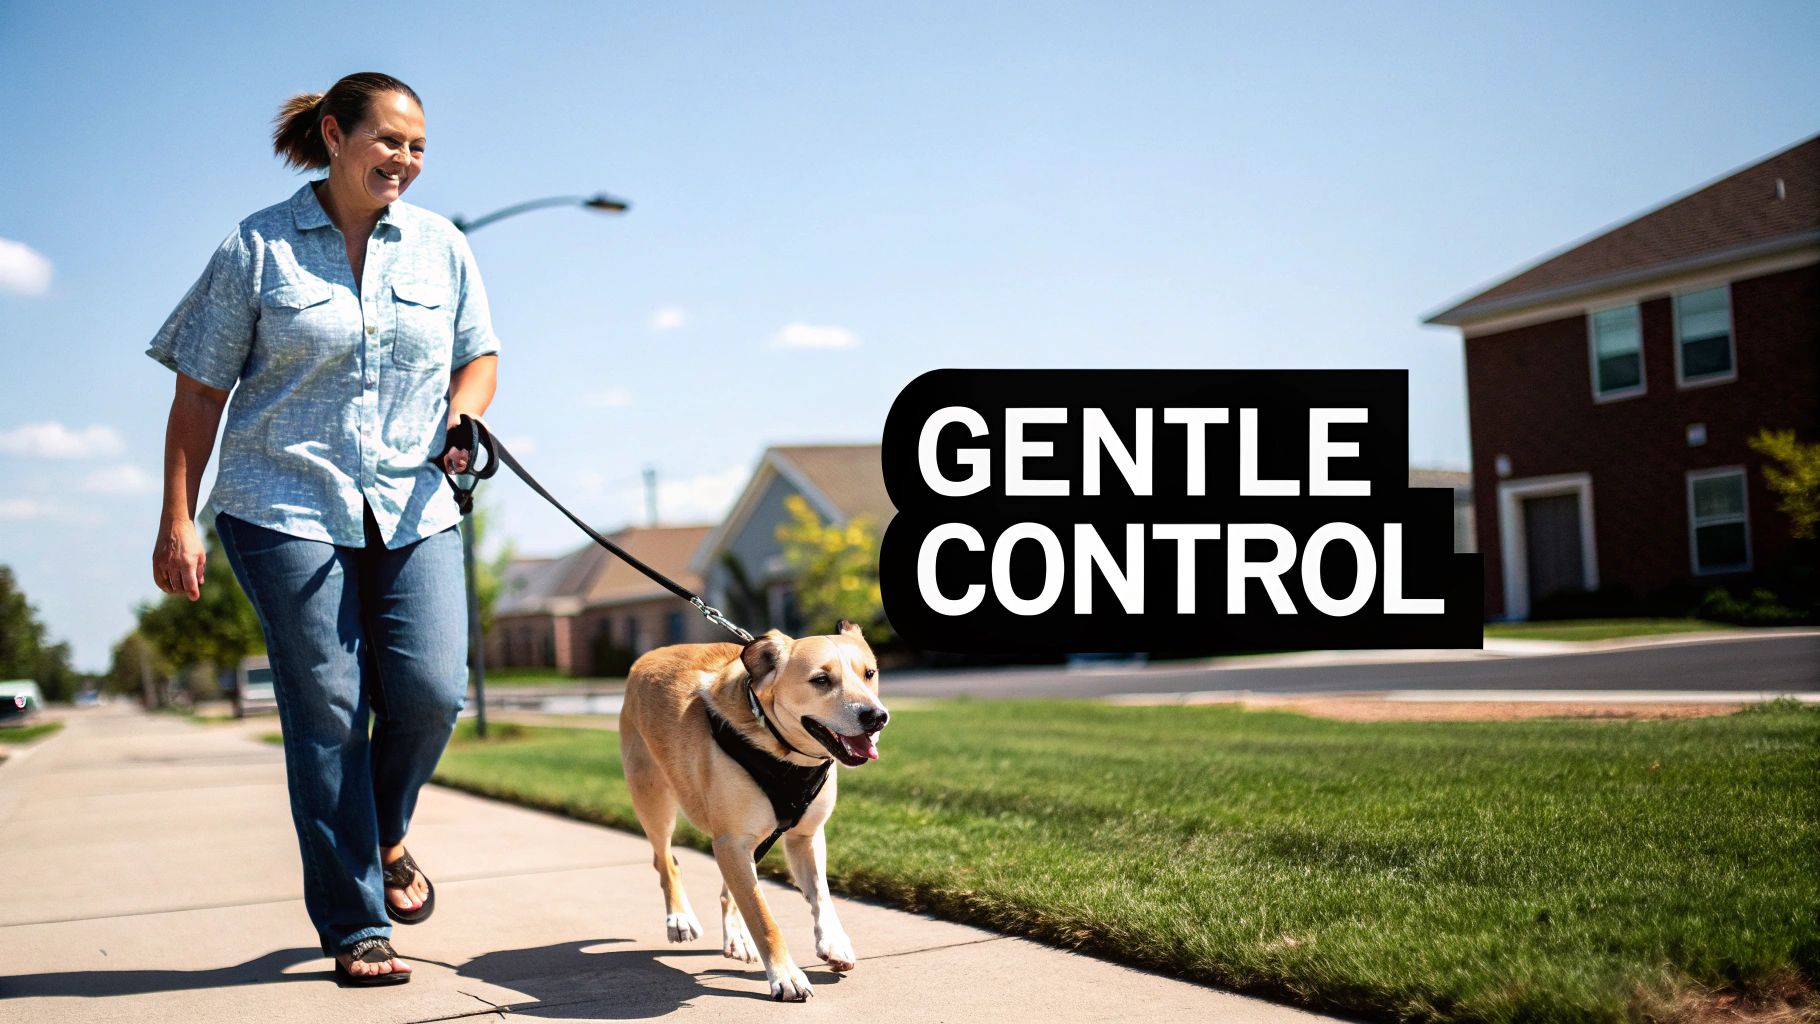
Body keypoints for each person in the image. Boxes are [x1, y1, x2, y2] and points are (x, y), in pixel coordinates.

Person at [147, 71, 499, 985]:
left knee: (431, 691)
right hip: (283, 503)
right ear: (336, 136)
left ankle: (384, 831)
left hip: (414, 501)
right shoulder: (257, 247)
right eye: (389, 140)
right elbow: (199, 393)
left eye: (417, 147)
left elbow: (479, 356)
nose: (405, 160)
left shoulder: (442, 247)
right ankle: (356, 924)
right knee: (329, 710)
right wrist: (178, 517)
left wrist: (463, 414)